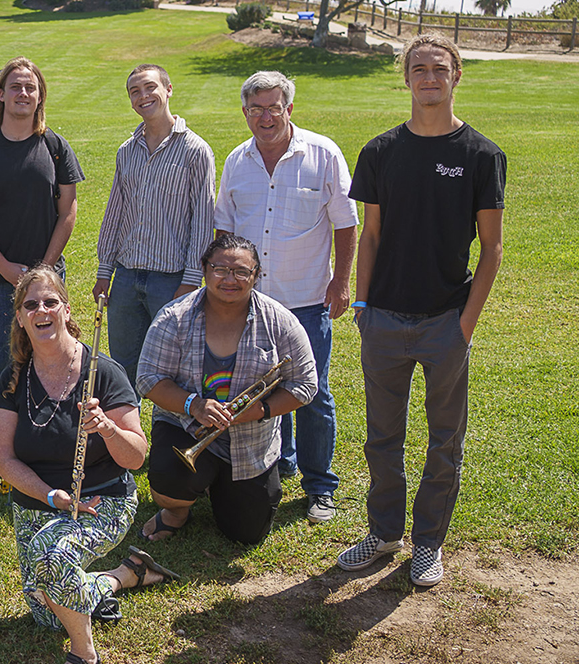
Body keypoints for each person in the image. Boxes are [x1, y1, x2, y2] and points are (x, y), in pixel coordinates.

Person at [338, 34, 505, 588]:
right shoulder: (380, 151)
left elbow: (492, 248)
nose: (428, 77)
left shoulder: (481, 155)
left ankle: (428, 542)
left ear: (456, 75)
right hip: (383, 319)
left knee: (444, 439)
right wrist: (362, 304)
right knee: (381, 438)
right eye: (418, 68)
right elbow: (371, 235)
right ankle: (384, 532)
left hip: (444, 323)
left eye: (439, 68)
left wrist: (465, 325)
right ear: (405, 77)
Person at [0, 265, 177, 664]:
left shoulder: (103, 371)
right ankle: (123, 575)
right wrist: (52, 496)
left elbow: (136, 457)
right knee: (47, 612)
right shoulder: (12, 378)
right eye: (31, 305)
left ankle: (85, 659)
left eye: (50, 302)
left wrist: (108, 429)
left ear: (66, 309)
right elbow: (5, 460)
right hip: (40, 502)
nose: (42, 310)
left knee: (53, 560)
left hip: (101, 500)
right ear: (21, 318)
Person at [214, 71, 357, 524]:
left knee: (312, 393)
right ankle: (282, 462)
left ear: (289, 109)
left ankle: (320, 486)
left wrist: (342, 282)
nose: (264, 117)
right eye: (255, 109)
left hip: (308, 298)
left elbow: (346, 222)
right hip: (253, 304)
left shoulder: (323, 153)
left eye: (273, 107)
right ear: (244, 113)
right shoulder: (237, 160)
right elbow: (225, 232)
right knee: (264, 389)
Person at [137, 234, 317, 546]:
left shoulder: (280, 322)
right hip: (187, 428)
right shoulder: (173, 318)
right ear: (204, 269)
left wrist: (261, 410)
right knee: (169, 479)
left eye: (241, 272)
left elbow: (306, 384)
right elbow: (149, 378)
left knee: (246, 534)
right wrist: (194, 404)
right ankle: (176, 513)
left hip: (250, 442)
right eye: (220, 269)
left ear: (256, 275)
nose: (229, 279)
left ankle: (217, 483)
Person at [0, 57, 84, 472]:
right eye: (15, 86)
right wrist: (8, 268)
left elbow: (68, 211)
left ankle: (40, 435)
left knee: (49, 358)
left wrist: (42, 271)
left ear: (39, 95)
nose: (23, 93)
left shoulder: (55, 147)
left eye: (31, 86)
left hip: (46, 280)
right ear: (1, 94)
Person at [93, 63, 215, 380]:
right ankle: (125, 429)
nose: (143, 96)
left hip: (171, 280)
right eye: (135, 91)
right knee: (123, 367)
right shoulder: (126, 151)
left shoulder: (196, 151)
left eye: (150, 87)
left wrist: (190, 280)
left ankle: (167, 429)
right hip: (126, 279)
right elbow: (115, 213)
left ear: (168, 89)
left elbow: (203, 219)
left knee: (172, 370)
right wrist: (105, 270)